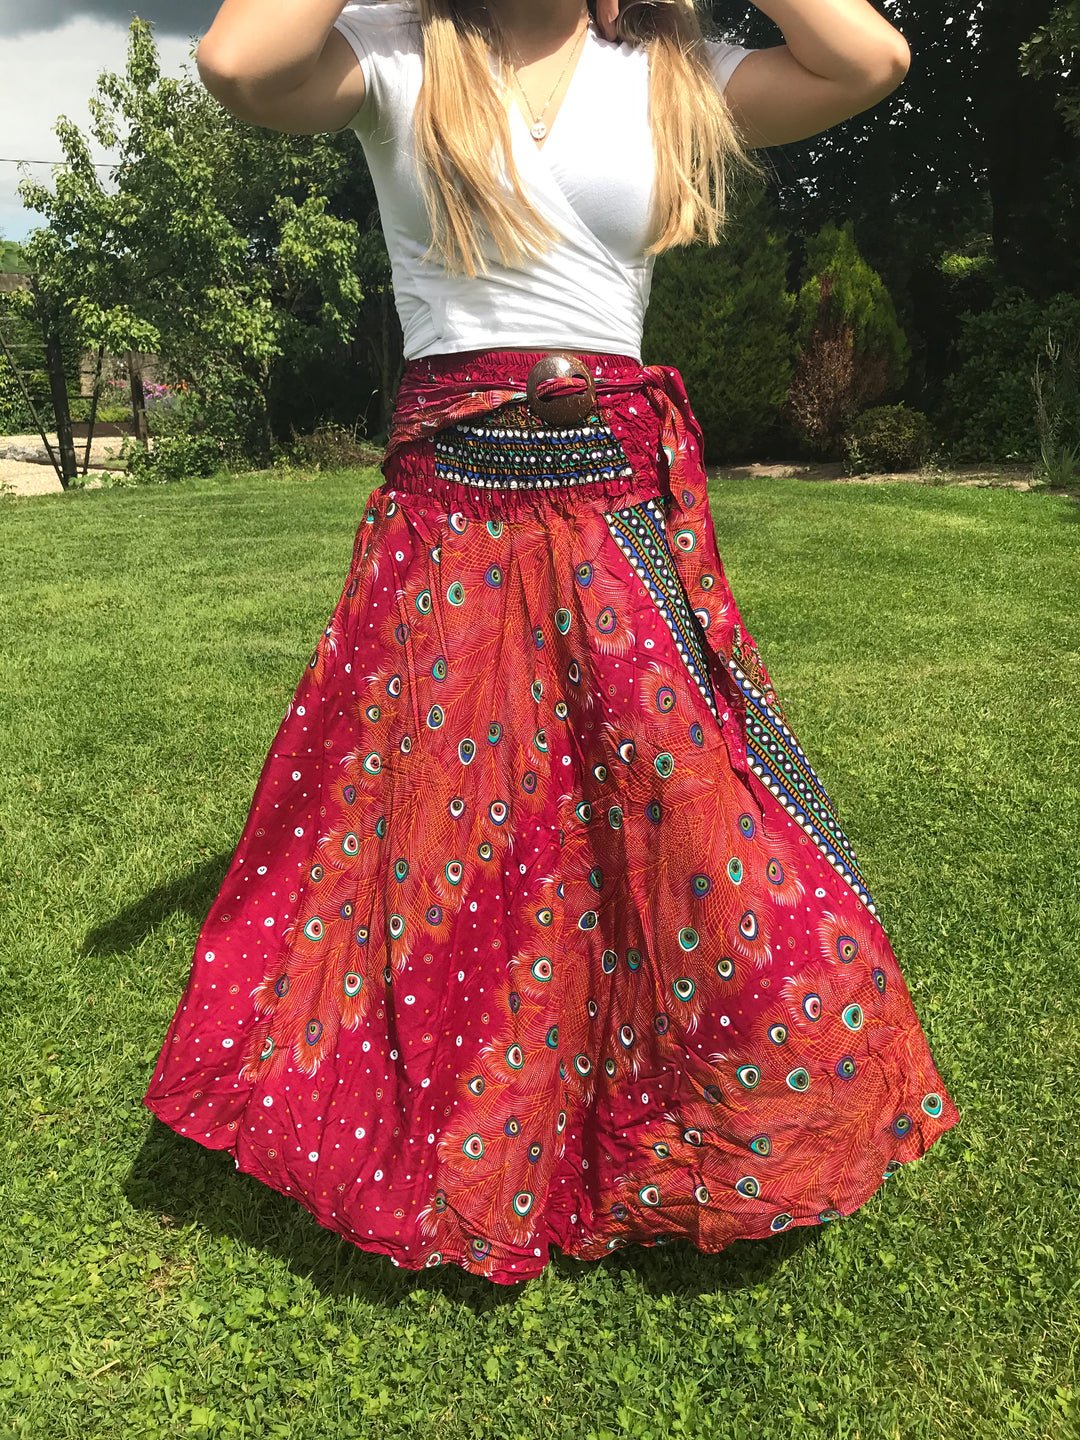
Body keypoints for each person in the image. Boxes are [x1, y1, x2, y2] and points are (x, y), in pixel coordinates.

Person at [144, 0, 959, 1285]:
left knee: (676, 816)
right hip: (446, 512)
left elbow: (871, 59)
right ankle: (455, 1123)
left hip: (614, 508)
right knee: (441, 831)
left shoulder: (674, 75)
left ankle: (693, 1117)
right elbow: (240, 61)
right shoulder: (399, 57)